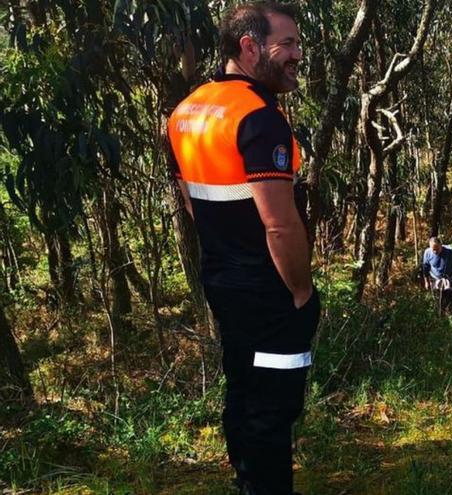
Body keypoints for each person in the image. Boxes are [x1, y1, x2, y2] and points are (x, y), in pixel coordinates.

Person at [167, 3, 313, 494]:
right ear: (250, 47)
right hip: (268, 292)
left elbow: (192, 202)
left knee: (243, 390)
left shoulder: (185, 112)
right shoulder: (258, 118)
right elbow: (279, 225)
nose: (297, 54)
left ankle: (247, 481)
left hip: (222, 280)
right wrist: (300, 292)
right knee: (274, 404)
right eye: (287, 44)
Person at [422, 237, 452, 312]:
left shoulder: (450, 251)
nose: (435, 251)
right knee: (439, 301)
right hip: (435, 279)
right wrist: (426, 281)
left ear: (441, 245)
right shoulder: (427, 253)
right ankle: (441, 318)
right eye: (433, 249)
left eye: (437, 248)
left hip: (450, 279)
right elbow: (425, 268)